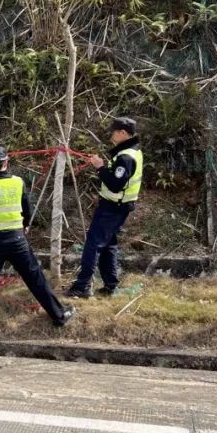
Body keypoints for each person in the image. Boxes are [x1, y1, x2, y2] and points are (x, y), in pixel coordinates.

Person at [0, 146, 75, 340]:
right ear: (6, 163)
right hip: (16, 239)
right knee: (35, 278)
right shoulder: (18, 182)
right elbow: (27, 206)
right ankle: (59, 314)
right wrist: (26, 224)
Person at [65, 117, 143, 299]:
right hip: (117, 207)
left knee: (93, 244)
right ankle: (110, 285)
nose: (111, 135)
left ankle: (82, 286)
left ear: (123, 133)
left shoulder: (125, 157)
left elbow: (116, 184)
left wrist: (100, 168)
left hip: (113, 208)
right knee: (109, 245)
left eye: (114, 131)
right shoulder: (131, 152)